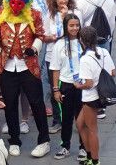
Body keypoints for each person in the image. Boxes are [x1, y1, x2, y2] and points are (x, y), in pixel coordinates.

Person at [0, 0, 50, 157]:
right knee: (10, 104)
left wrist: (34, 49)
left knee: (37, 103)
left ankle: (44, 140)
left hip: (28, 66)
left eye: (19, 3)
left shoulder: (34, 14)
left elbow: (40, 35)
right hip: (7, 66)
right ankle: (14, 139)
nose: (15, 7)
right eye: (12, 2)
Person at [74, 26, 112, 165]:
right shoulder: (104, 52)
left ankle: (94, 161)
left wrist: (78, 85)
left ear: (82, 41)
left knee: (92, 129)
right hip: (100, 95)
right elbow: (112, 72)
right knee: (79, 124)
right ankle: (90, 155)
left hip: (91, 97)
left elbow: (88, 84)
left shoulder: (85, 59)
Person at [47, 13, 83, 158]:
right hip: (66, 84)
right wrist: (55, 89)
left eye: (77, 25)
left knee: (82, 118)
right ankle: (65, 146)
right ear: (66, 27)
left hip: (82, 85)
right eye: (71, 25)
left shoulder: (84, 41)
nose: (75, 28)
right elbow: (55, 68)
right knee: (66, 118)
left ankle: (84, 147)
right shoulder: (59, 44)